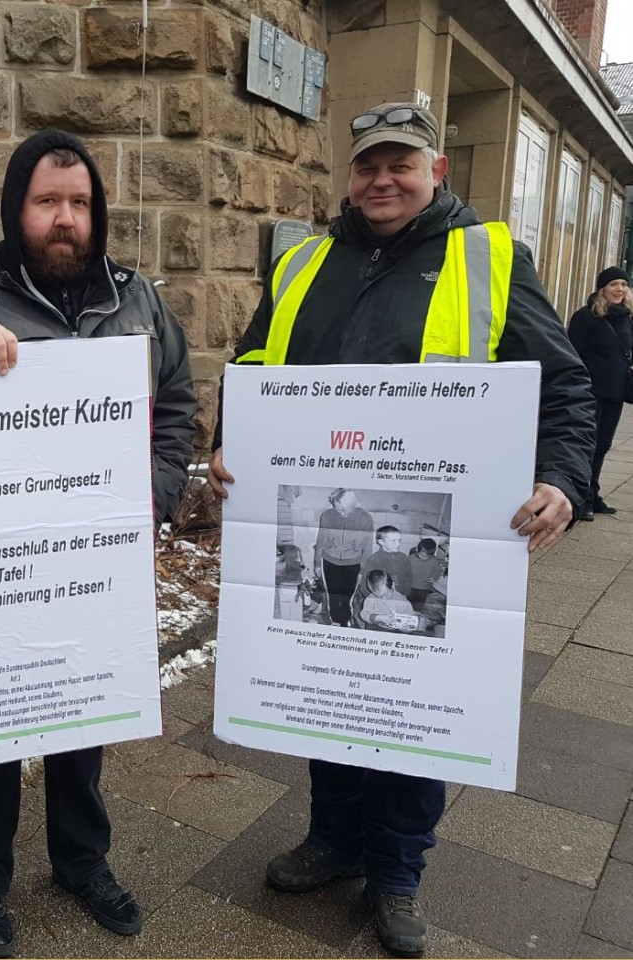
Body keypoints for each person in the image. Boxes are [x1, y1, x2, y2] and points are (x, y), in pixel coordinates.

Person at [207, 103, 594, 958]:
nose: (383, 180)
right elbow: (249, 370)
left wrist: (562, 479)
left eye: (402, 165)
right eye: (368, 166)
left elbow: (565, 388)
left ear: (436, 172)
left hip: (454, 534)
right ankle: (333, 840)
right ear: (350, 176)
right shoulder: (307, 262)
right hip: (332, 534)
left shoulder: (491, 258)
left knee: (418, 714)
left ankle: (396, 873)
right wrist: (229, 441)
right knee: (328, 685)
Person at [0, 129, 196, 958]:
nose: (65, 219)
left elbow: (175, 402)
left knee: (84, 715)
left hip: (98, 563)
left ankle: (82, 861)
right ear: (15, 210)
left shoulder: (138, 302)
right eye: (47, 203)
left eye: (79, 203)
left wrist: (157, 492)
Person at [566, 266, 632, 520]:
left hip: (615, 393)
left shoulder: (626, 317)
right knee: (587, 446)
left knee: (603, 445)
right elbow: (572, 352)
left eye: (623, 285)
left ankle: (593, 491)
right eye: (614, 284)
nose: (619, 289)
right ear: (602, 288)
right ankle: (581, 497)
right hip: (591, 393)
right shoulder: (586, 317)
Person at [313, 488, 374, 626]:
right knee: (332, 596)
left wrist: (363, 570)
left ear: (353, 505)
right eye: (337, 508)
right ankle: (334, 621)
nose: (340, 513)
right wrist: (317, 563)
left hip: (353, 563)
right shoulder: (327, 516)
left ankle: (346, 621)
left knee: (347, 597)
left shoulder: (365, 518)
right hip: (329, 560)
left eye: (343, 509)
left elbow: (368, 546)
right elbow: (320, 540)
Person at [360, 526, 413, 602]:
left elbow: (409, 579)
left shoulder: (404, 558)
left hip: (399, 599)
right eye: (393, 541)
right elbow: (364, 586)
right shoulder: (374, 560)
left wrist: (404, 595)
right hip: (380, 600)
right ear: (381, 542)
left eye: (399, 540)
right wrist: (374, 600)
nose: (397, 544)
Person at [407, 538, 443, 607]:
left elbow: (438, 571)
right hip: (410, 587)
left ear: (432, 555)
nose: (424, 558)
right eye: (422, 556)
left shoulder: (435, 561)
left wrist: (433, 578)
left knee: (419, 606)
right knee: (408, 604)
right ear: (418, 551)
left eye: (427, 557)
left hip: (424, 589)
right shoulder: (411, 558)